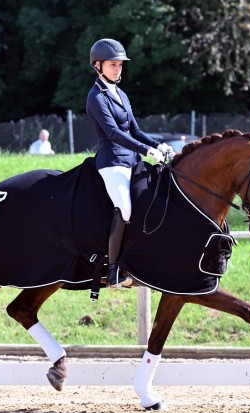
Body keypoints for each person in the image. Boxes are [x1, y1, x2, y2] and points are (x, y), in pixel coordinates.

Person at [86, 38, 173, 288]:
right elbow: (114, 133)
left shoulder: (121, 93)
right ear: (98, 66)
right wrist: (147, 150)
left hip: (132, 160)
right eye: (113, 65)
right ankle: (112, 271)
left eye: (120, 65)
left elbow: (135, 129)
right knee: (124, 208)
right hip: (112, 162)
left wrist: (157, 145)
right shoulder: (96, 97)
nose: (118, 69)